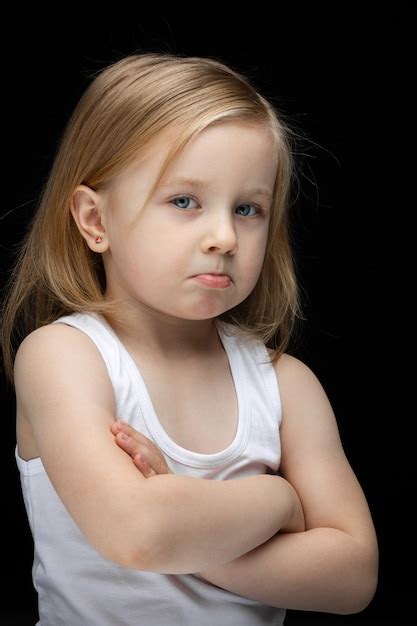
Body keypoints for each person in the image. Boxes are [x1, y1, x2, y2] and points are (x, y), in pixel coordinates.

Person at [0, 52, 378, 625]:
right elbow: (139, 533)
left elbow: (353, 577)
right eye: (184, 201)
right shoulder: (65, 358)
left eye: (248, 209)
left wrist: (193, 530)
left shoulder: (284, 383)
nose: (224, 235)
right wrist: (277, 501)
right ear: (95, 221)